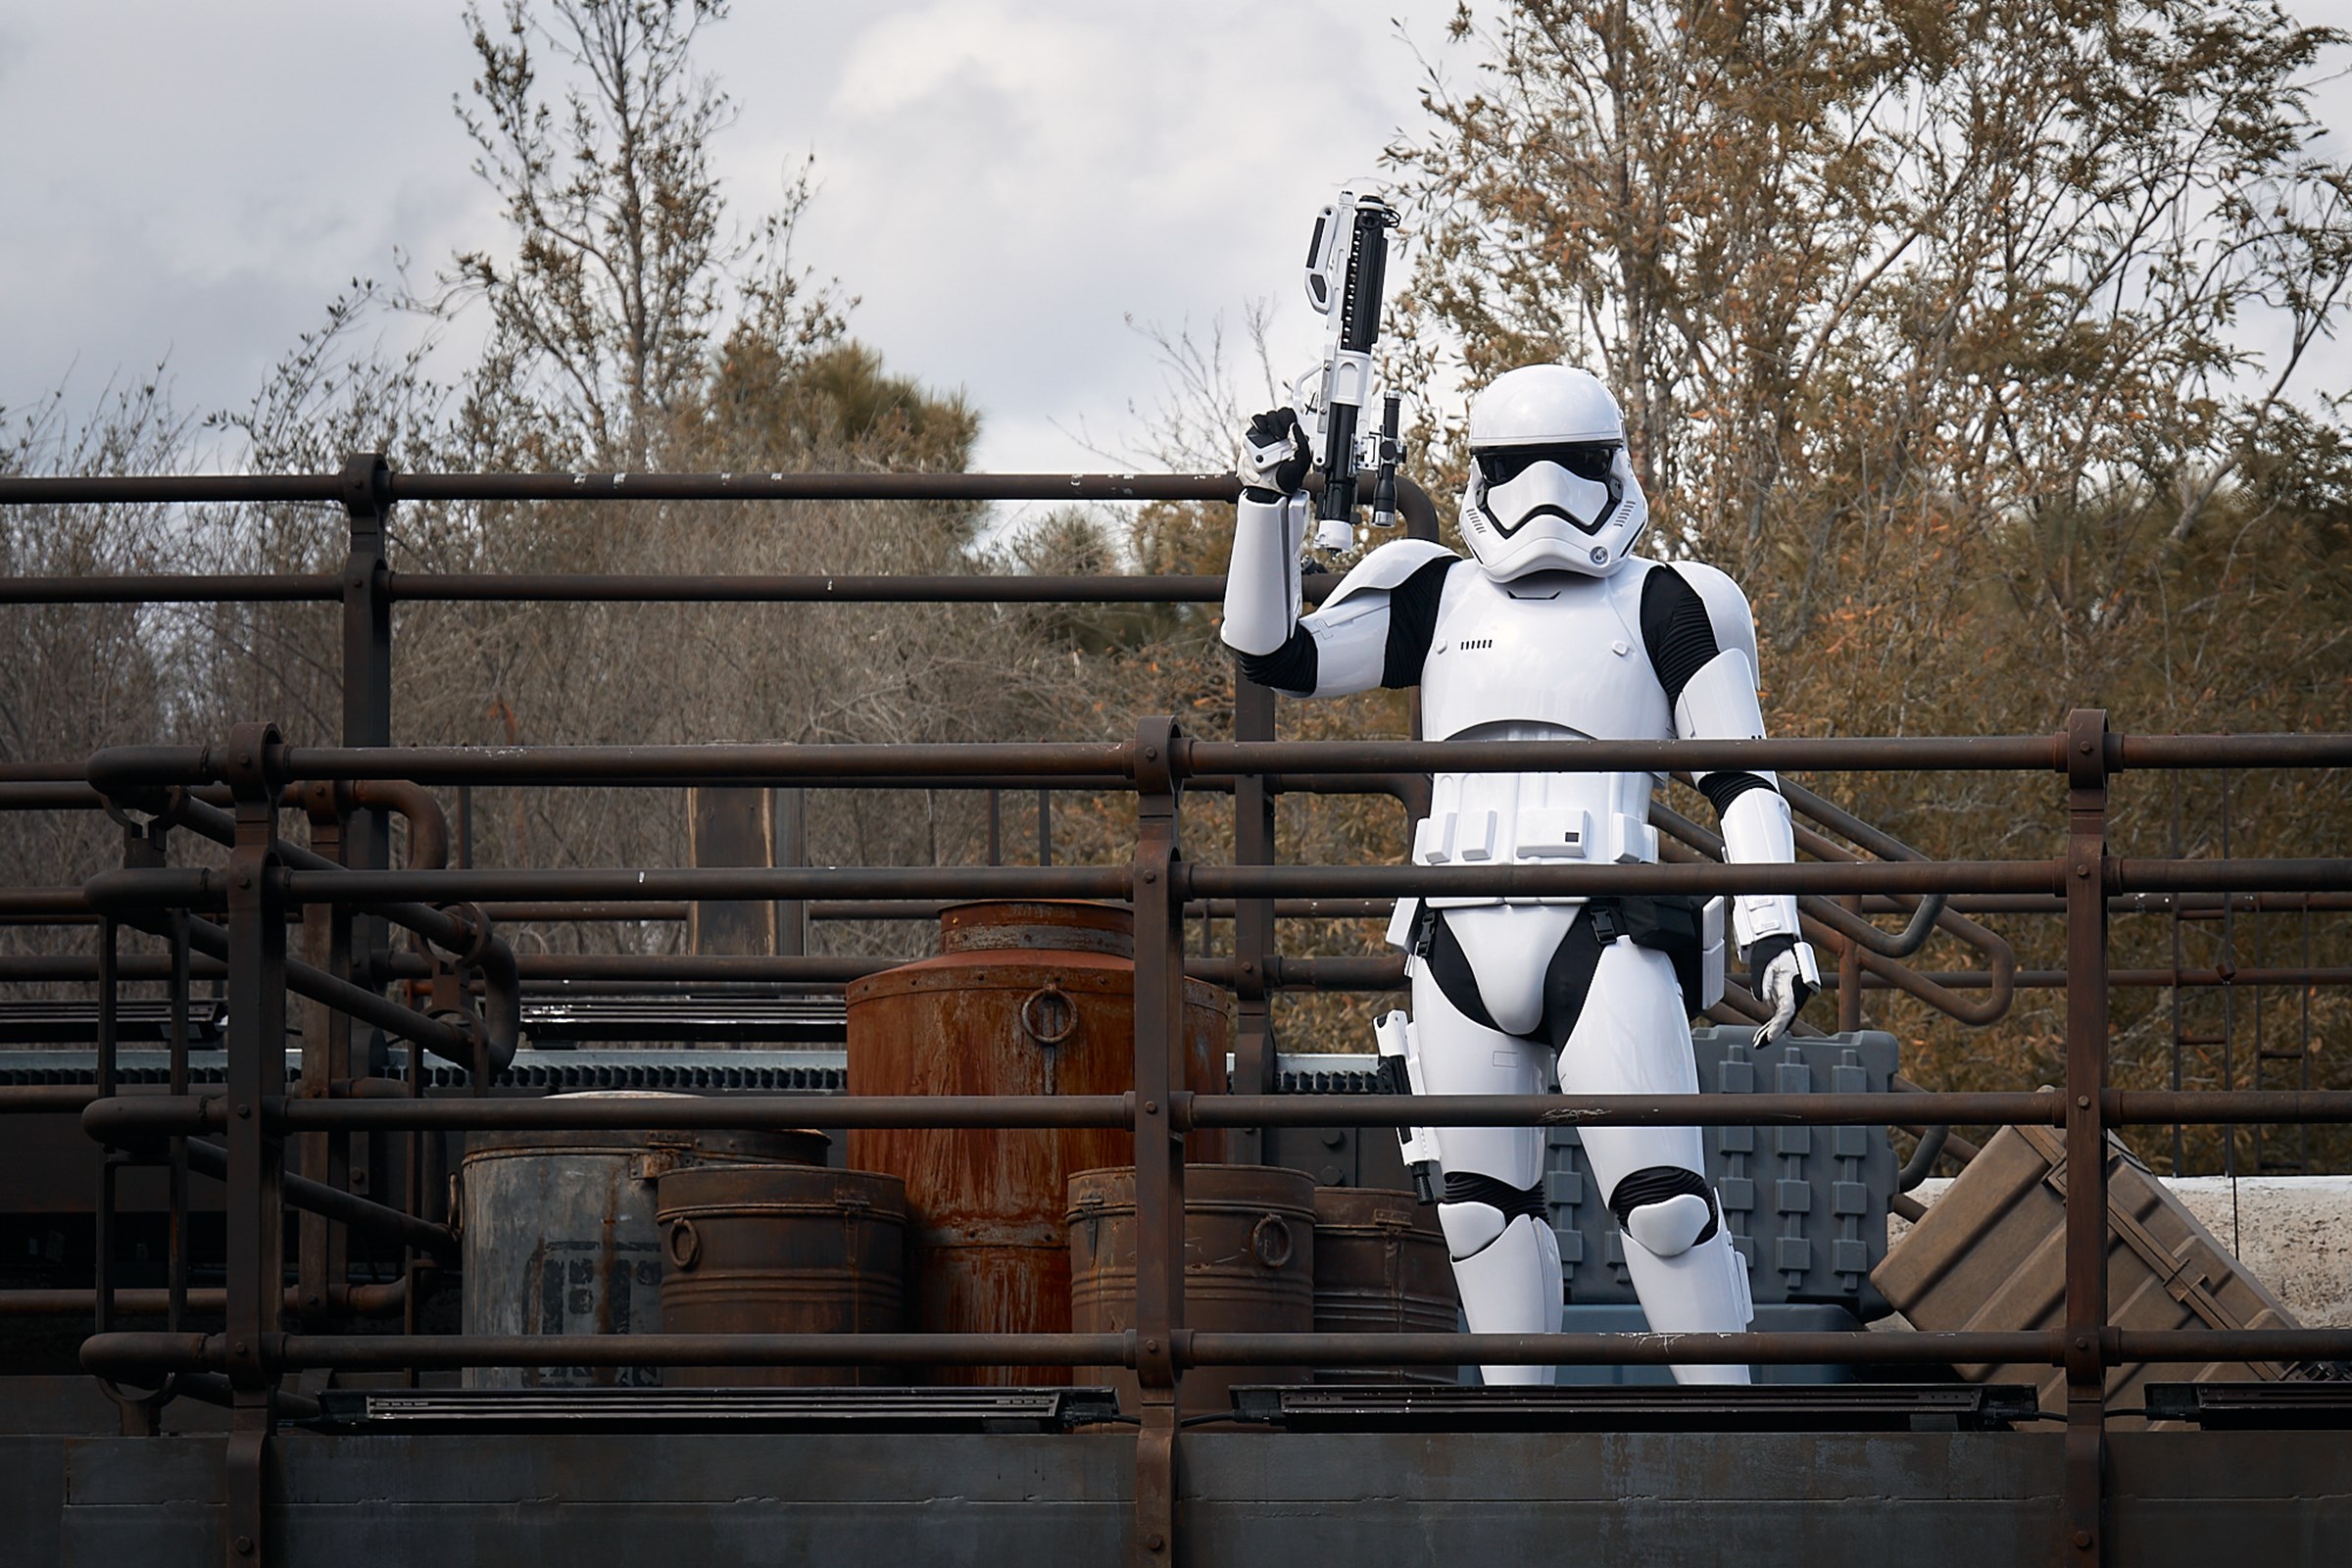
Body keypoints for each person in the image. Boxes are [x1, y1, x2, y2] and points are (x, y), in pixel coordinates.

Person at [1219, 364, 1819, 1386]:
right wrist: (1265, 499)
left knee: (1665, 1207)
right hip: (1453, 931)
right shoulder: (1431, 588)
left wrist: (1773, 926)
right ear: (1481, 472)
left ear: (1611, 467)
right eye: (1516, 464)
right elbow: (1276, 654)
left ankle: (1730, 1434)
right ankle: (1518, 1434)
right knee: (1478, 1213)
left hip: (1607, 925)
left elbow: (1741, 776)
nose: (1544, 490)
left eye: (1569, 462)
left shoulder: (1671, 598)